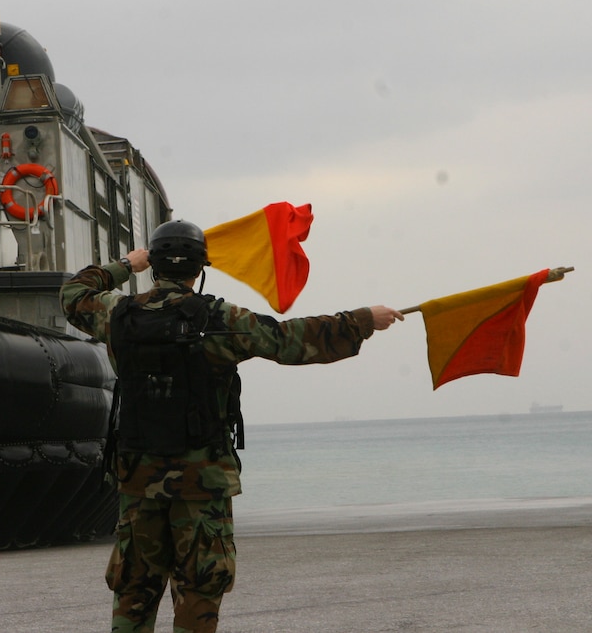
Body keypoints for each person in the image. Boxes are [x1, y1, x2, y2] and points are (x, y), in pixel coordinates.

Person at [60, 219, 403, 633]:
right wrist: (362, 319)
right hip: (201, 483)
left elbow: (74, 294)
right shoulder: (218, 319)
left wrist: (124, 265)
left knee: (134, 588)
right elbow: (289, 340)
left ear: (155, 265)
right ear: (199, 269)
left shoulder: (119, 315)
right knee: (200, 587)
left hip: (138, 480)